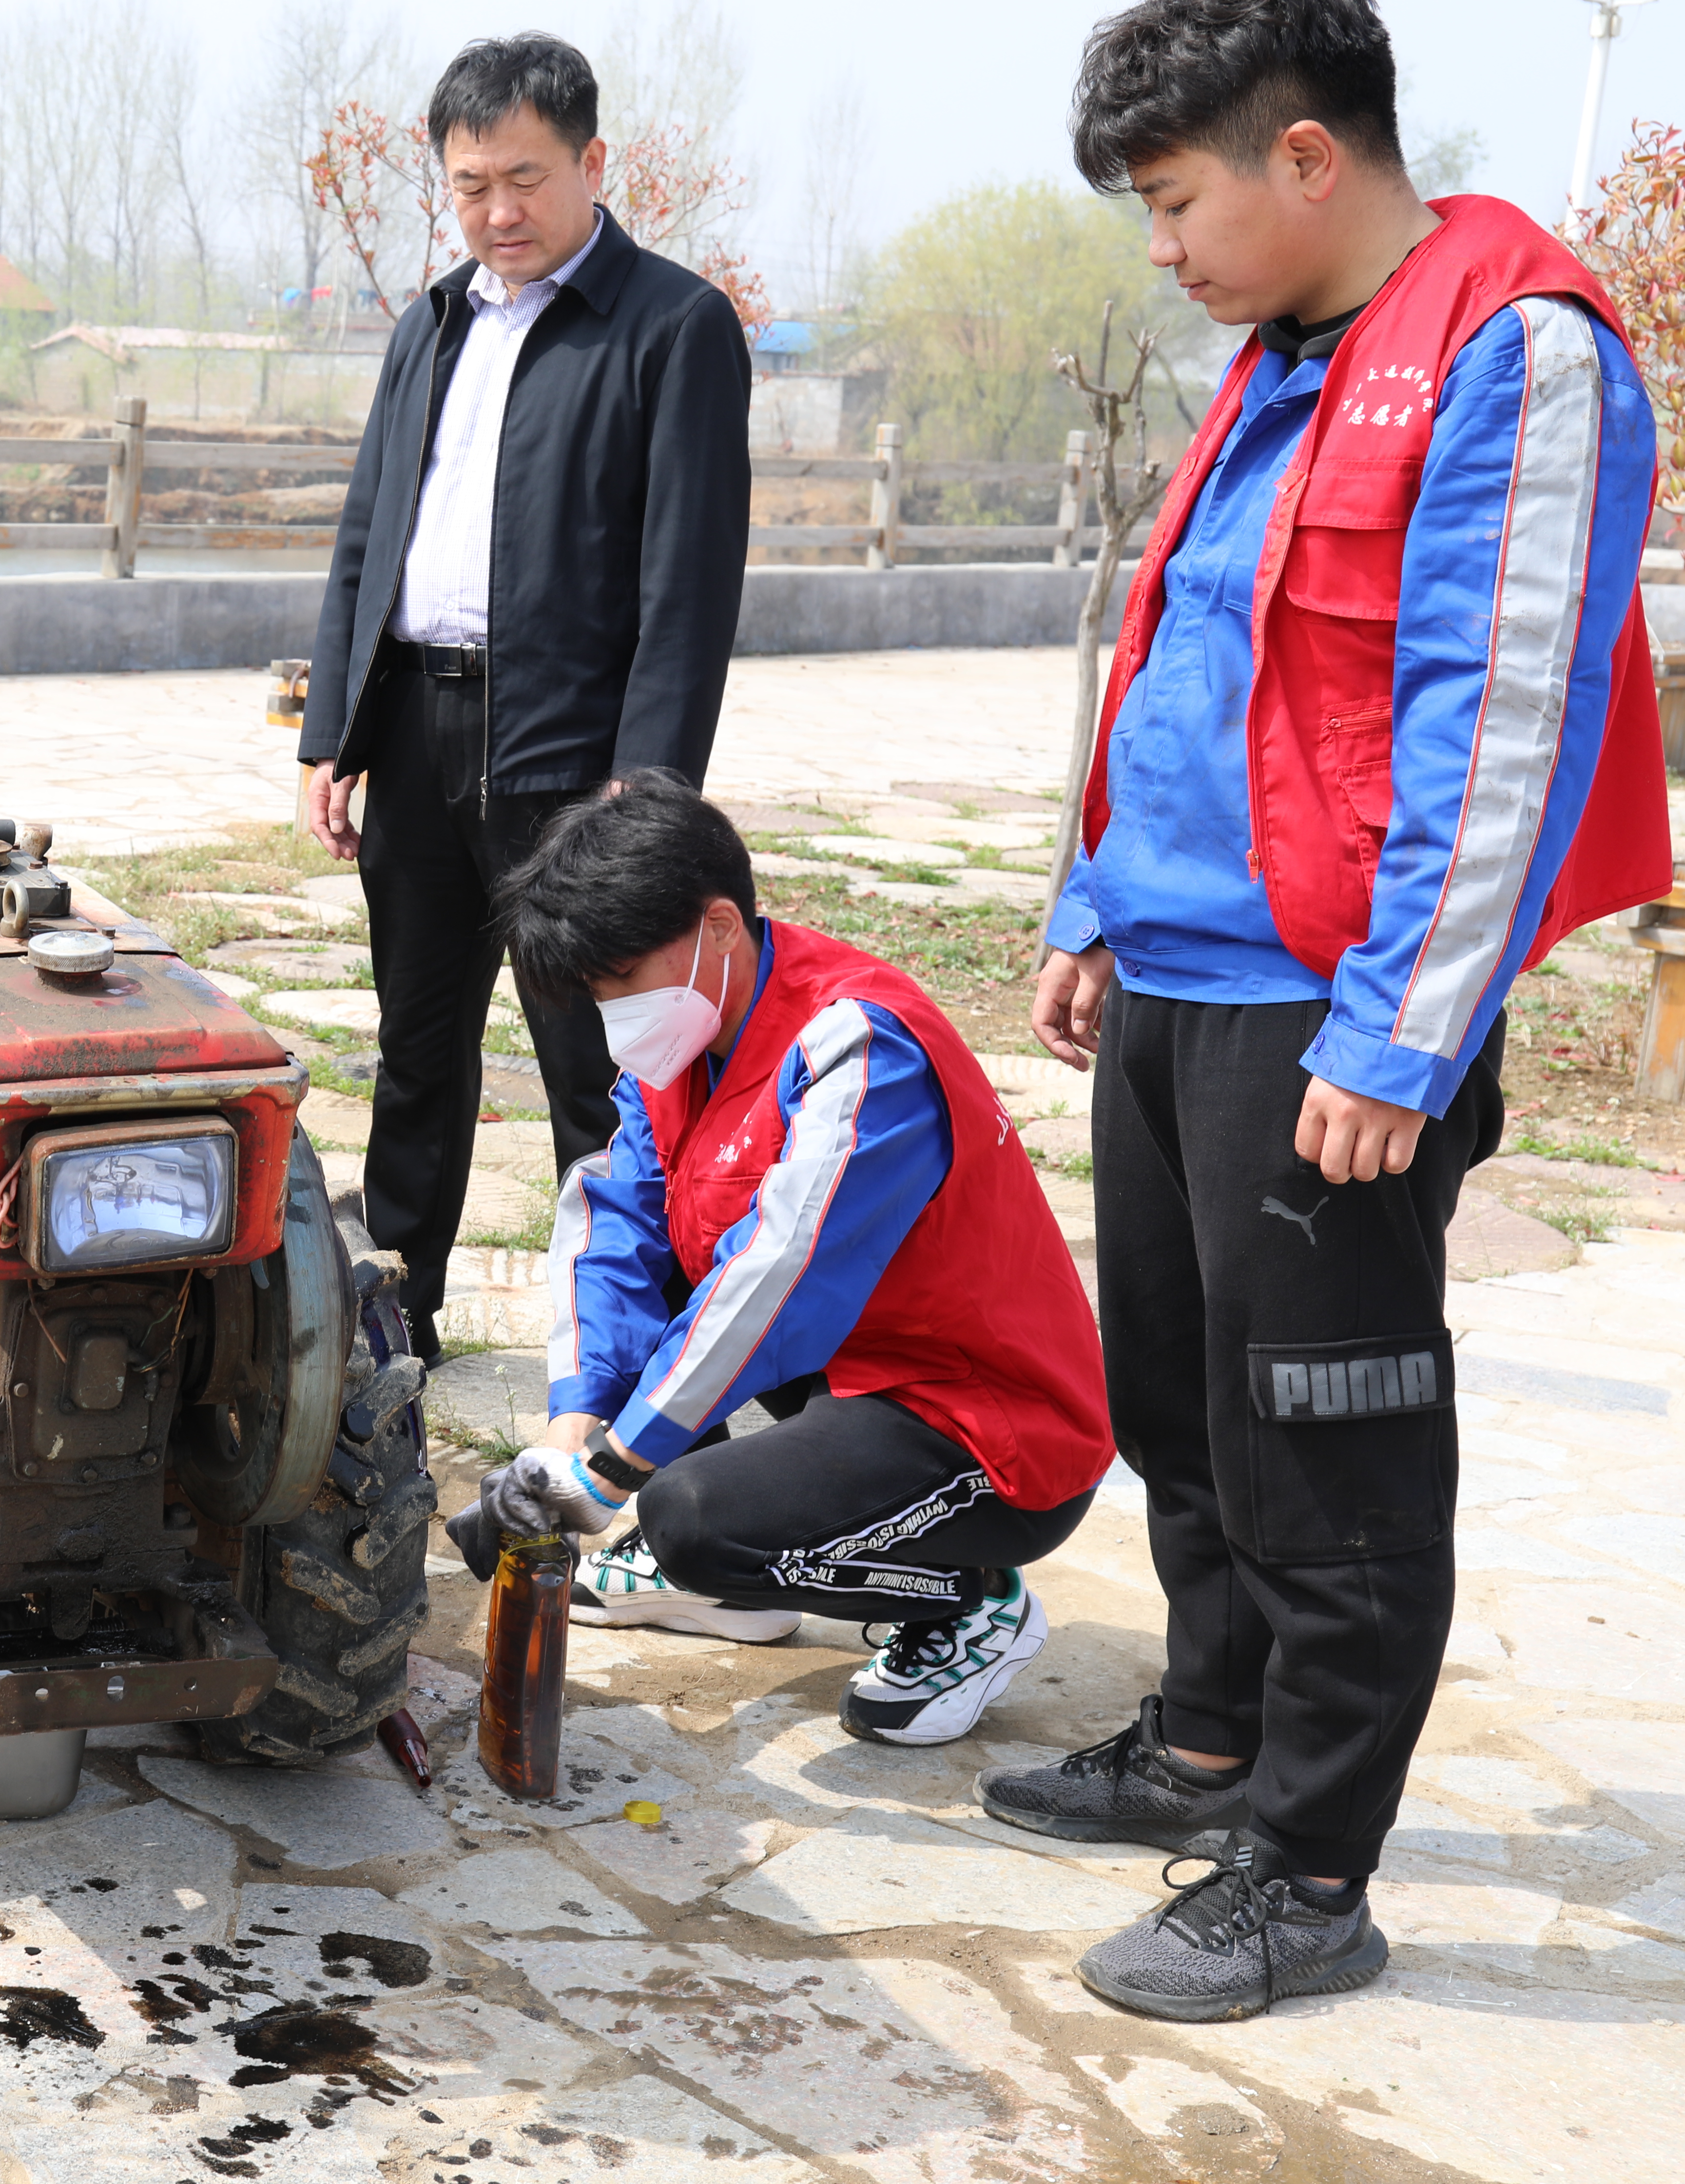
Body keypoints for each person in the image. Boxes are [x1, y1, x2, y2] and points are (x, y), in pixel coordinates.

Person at [996, 0, 1666, 2023]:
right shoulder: (1276, 363)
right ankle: (1205, 1737)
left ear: (1305, 159)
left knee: (1330, 1449)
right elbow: (1190, 654)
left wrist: (1404, 1033)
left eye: (1178, 199)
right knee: (1179, 1397)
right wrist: (1094, 893)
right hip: (1181, 974)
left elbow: (1507, 724)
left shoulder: (1514, 346)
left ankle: (1308, 1869)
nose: (1162, 249)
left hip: (1330, 1007)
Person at [447, 774, 1114, 1747]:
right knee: (661, 1339)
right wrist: (569, 1427)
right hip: (849, 1375)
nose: (617, 1010)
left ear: (720, 925)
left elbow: (778, 1280)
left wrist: (613, 1467)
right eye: (597, 991)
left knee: (690, 1518)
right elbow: (614, 1231)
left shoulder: (854, 1041)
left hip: (988, 1425)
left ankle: (972, 1601)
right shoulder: (688, 1037)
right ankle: (735, 1589)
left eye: (624, 974)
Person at [297, 32, 752, 1363]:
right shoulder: (429, 321)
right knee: (415, 1046)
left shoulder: (672, 327)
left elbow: (689, 585)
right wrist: (336, 732)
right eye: (471, 183)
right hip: (418, 739)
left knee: (599, 1071)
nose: (498, 211)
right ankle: (400, 1313)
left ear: (592, 165)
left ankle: (620, 1345)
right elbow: (365, 538)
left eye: (527, 179)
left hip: (576, 762)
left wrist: (647, 789)